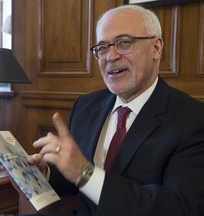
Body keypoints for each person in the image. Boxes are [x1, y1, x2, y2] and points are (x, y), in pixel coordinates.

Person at [28, 4, 204, 216]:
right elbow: (74, 177)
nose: (111, 56)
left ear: (156, 48)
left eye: (124, 43)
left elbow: (178, 207)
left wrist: (85, 174)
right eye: (102, 48)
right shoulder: (85, 106)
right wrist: (46, 172)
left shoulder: (193, 119)